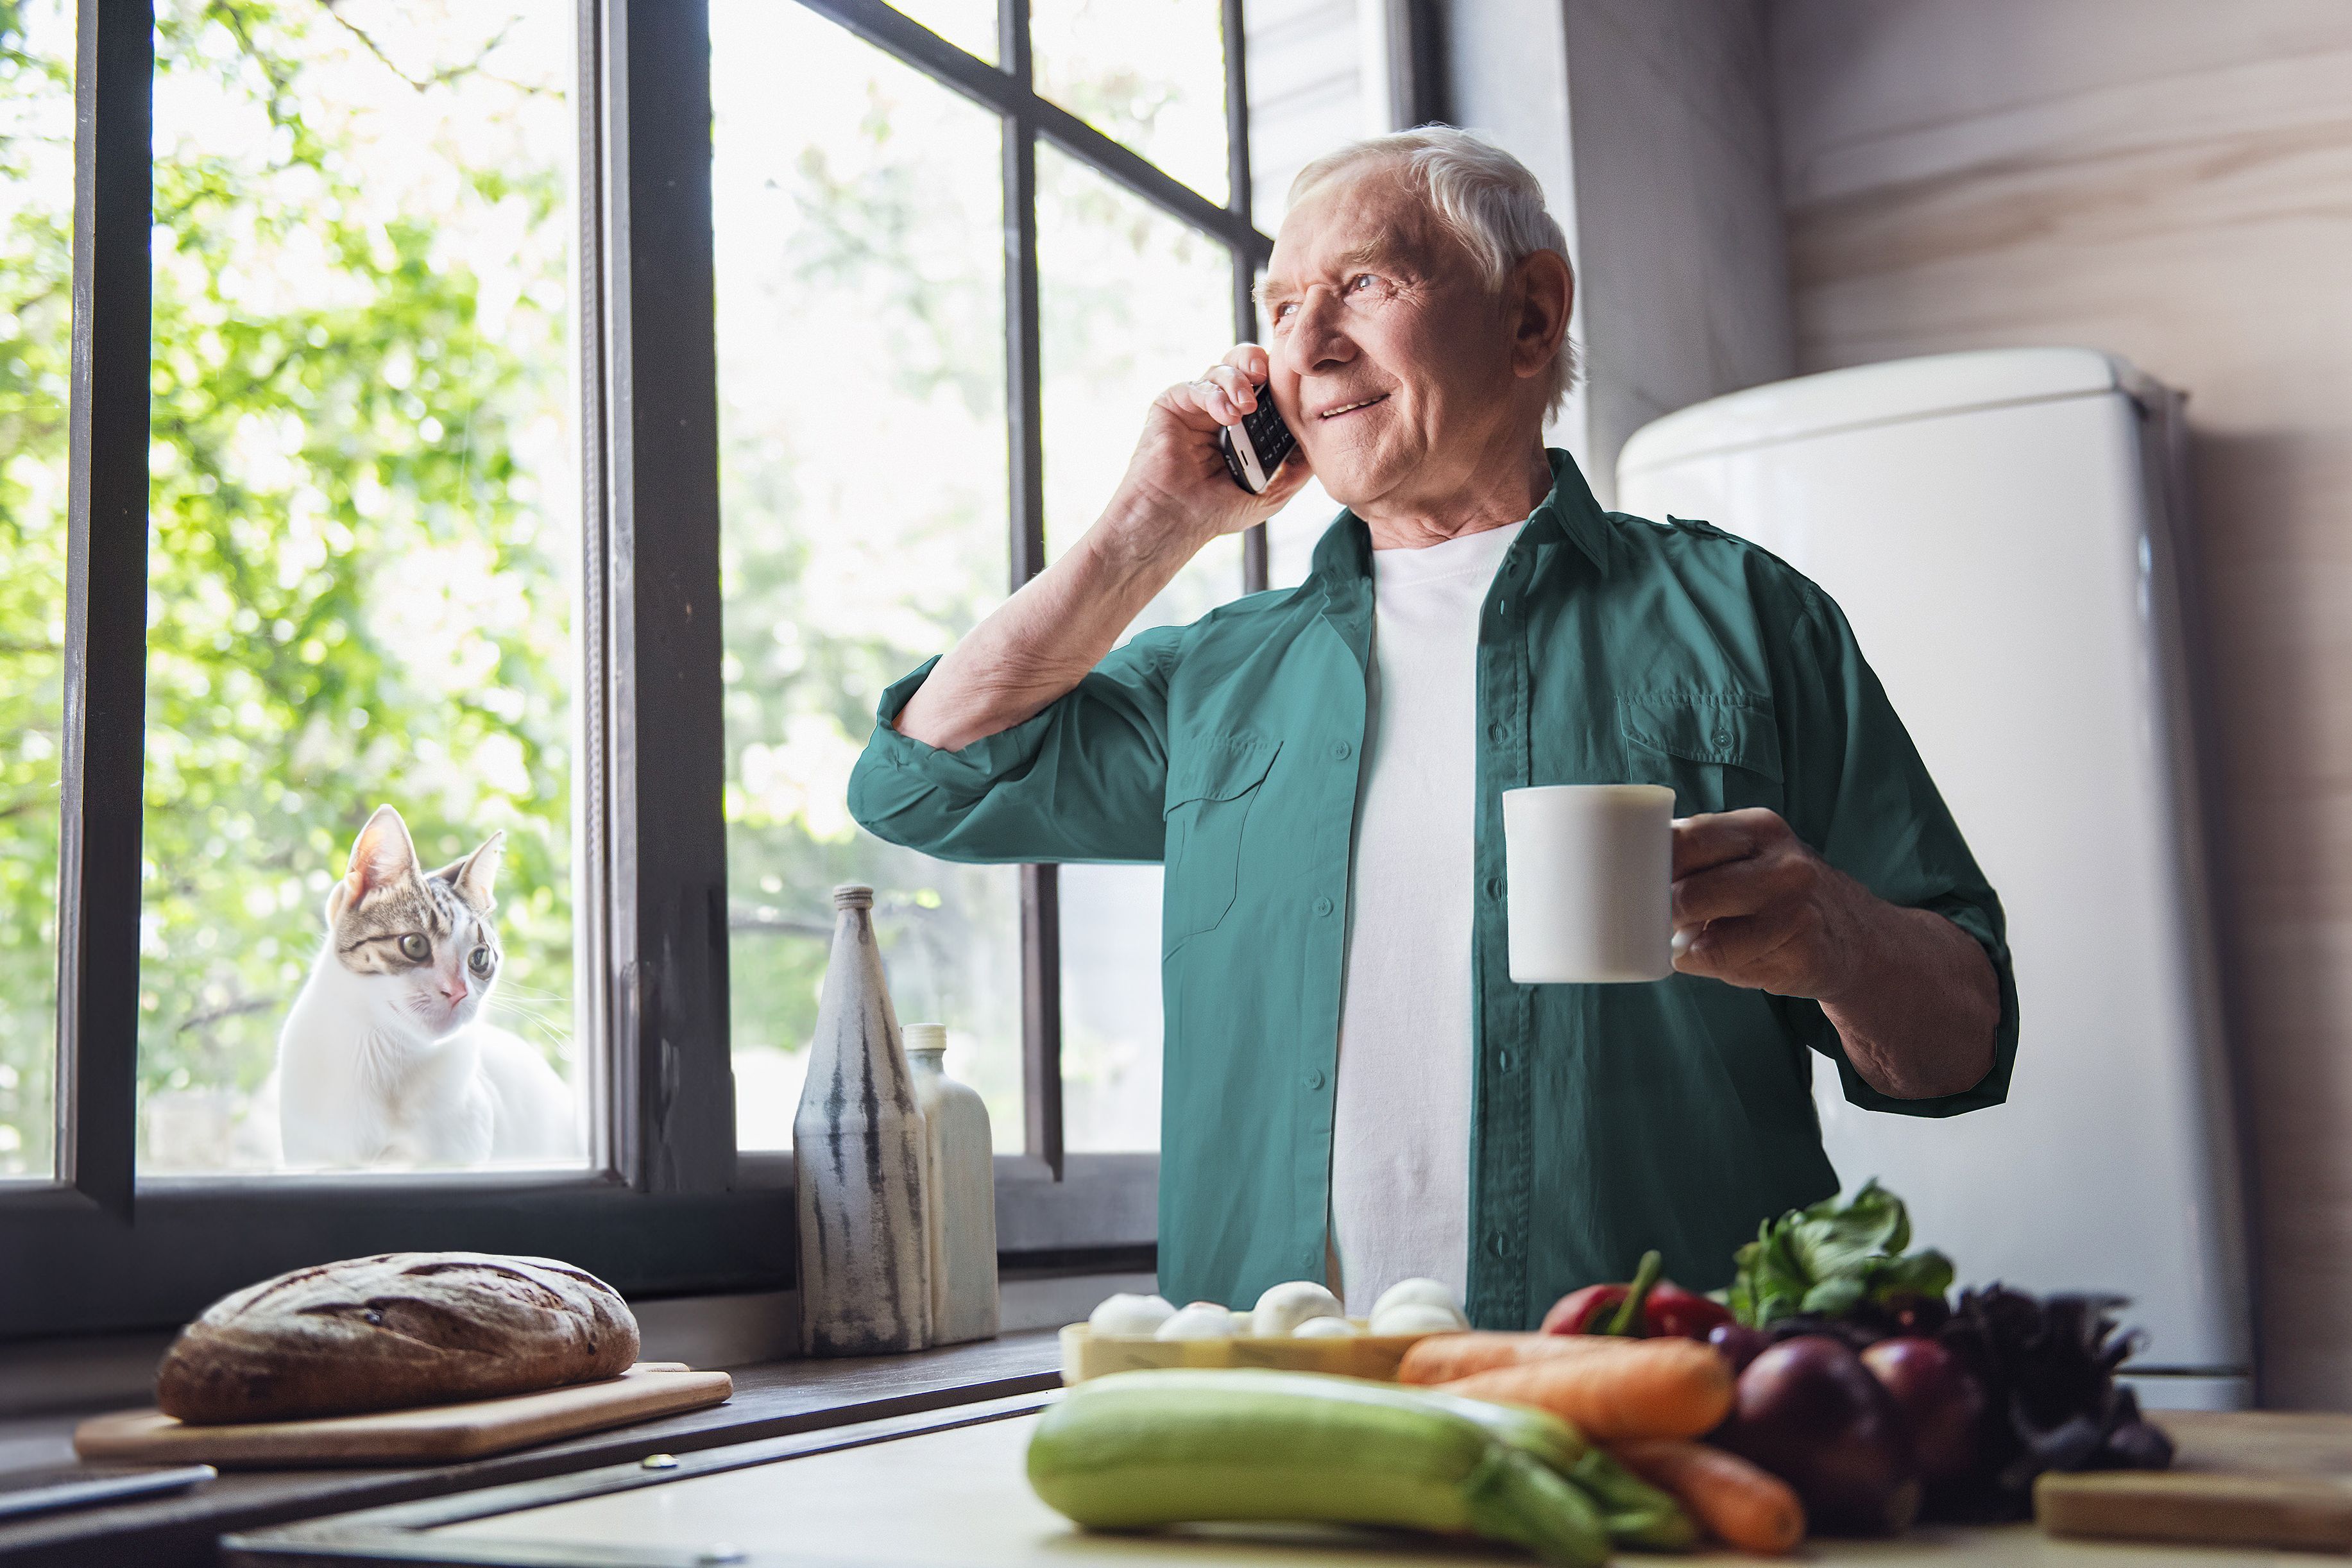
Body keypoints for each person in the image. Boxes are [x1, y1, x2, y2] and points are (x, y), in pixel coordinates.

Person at [848, 127, 2016, 1327]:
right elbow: (919, 783)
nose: (1305, 343)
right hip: (1284, 1410)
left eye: (1363, 284)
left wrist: (1833, 935)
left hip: (1667, 1403)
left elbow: (1959, 1052)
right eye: (1283, 304)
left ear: (1529, 317)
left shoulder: (1748, 617)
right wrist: (1148, 526)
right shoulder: (1217, 675)